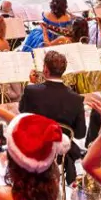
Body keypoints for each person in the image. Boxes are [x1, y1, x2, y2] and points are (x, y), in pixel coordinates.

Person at [20, 50, 86, 183]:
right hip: (61, 153)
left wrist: (33, 84)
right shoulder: (76, 99)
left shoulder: (31, 91)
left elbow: (23, 113)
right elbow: (80, 134)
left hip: (36, 149)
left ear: (45, 69)